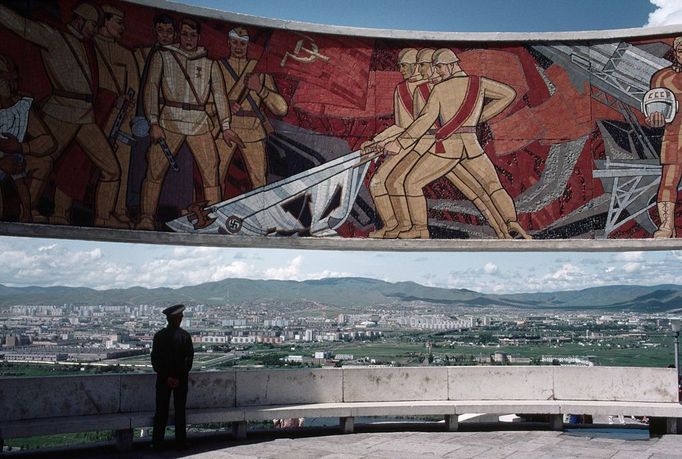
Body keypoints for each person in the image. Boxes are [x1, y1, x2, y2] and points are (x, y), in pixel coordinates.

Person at [0, 3, 125, 228]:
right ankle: (25, 211)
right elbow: (22, 26)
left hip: (85, 116)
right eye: (93, 25)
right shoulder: (54, 37)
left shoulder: (88, 45)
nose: (95, 30)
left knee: (112, 169)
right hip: (61, 111)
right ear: (80, 20)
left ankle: (103, 217)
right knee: (41, 162)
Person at [383, 48, 530, 239]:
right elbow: (508, 94)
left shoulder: (440, 89)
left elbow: (425, 120)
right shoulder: (479, 83)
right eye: (436, 67)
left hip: (448, 149)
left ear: (452, 65)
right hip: (471, 146)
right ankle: (511, 222)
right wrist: (480, 116)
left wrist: (400, 143)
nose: (438, 72)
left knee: (411, 183)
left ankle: (419, 229)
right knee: (493, 186)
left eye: (441, 67)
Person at [137, 17, 242, 230]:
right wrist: (153, 121)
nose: (188, 39)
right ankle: (146, 217)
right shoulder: (163, 56)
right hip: (169, 120)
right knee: (155, 169)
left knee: (211, 170)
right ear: (178, 35)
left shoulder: (209, 63)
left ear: (198, 37)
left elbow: (220, 95)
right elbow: (151, 88)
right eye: (184, 34)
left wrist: (226, 126)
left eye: (193, 35)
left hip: (198, 121)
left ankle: (214, 219)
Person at [361, 48, 422, 238]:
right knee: (378, 183)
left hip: (424, 145)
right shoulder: (401, 89)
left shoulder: (432, 88)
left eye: (404, 66)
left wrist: (390, 142)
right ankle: (393, 225)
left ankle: (407, 226)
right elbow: (401, 125)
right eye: (400, 66)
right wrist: (376, 141)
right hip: (403, 142)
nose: (401, 69)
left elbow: (423, 125)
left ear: (416, 66)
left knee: (392, 181)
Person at [217, 26, 288, 191]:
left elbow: (281, 108)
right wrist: (225, 106)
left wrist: (260, 89)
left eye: (242, 43)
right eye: (235, 42)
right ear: (228, 42)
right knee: (215, 177)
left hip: (253, 129)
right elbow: (206, 100)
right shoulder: (218, 67)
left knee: (259, 181)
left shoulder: (259, 69)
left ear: (248, 45)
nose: (238, 47)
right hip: (226, 128)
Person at [0, 54, 56, 222]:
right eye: (4, 80)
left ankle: (27, 213)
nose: (9, 85)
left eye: (11, 80)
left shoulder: (20, 106)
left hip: (15, 158)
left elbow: (48, 141)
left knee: (44, 163)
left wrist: (21, 148)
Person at [645, 36, 682, 239]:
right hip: (674, 136)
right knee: (668, 182)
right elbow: (654, 113)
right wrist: (655, 120)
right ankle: (667, 226)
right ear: (675, 52)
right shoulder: (663, 77)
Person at [151, 303, 194, 450]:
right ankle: (180, 442)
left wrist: (167, 377)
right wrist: (177, 377)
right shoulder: (185, 336)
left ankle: (157, 442)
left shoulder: (159, 336)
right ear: (177, 319)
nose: (181, 318)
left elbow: (155, 360)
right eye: (180, 316)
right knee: (180, 411)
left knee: (161, 411)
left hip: (163, 380)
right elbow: (188, 361)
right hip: (180, 381)